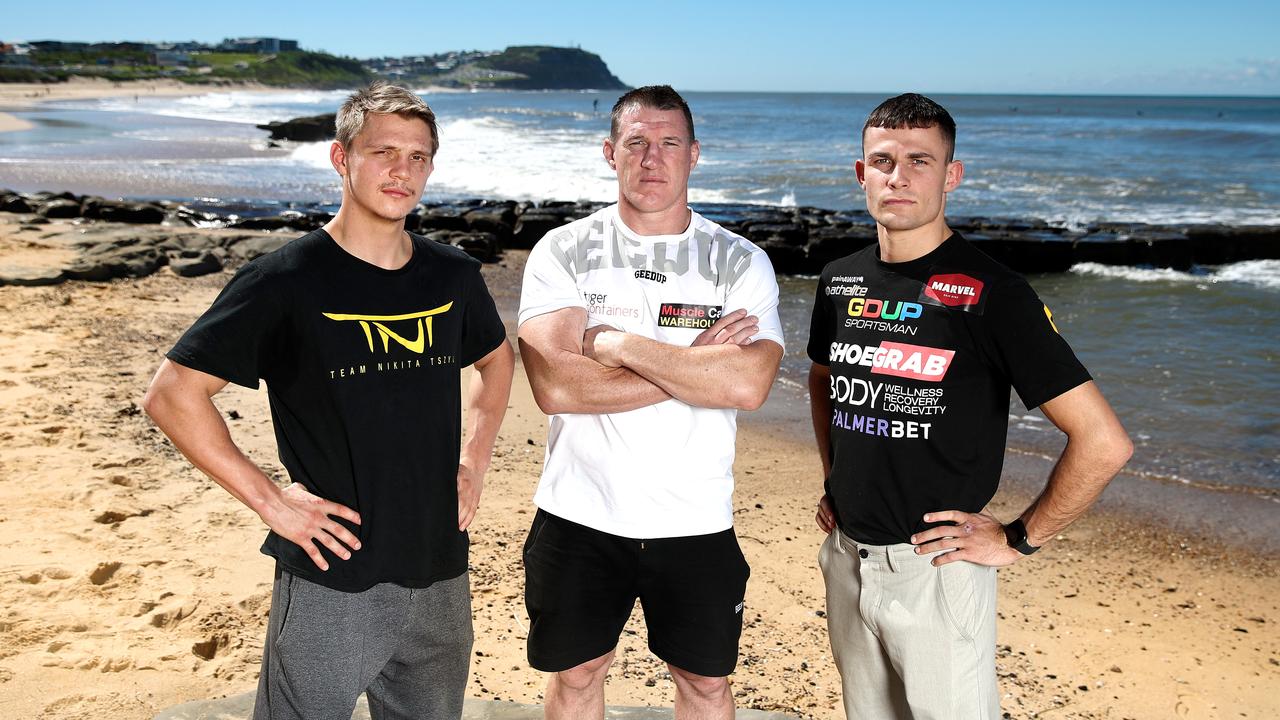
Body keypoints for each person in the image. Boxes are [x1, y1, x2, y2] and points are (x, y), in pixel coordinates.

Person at [142, 81, 515, 720]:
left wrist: (474, 463)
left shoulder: (452, 274)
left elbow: (495, 358)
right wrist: (272, 503)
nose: (402, 171)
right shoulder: (284, 280)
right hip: (332, 574)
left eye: (419, 156)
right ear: (342, 159)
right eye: (383, 152)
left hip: (440, 568)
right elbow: (174, 395)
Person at [807, 93, 1132, 719]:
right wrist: (833, 478)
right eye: (883, 160)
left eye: (920, 161)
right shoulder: (839, 277)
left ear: (951, 175)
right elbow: (824, 380)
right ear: (861, 172)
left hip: (935, 570)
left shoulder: (995, 293)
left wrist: (1017, 538)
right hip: (846, 559)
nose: (898, 176)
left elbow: (1103, 441)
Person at [516, 85, 784, 720]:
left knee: (706, 685)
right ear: (610, 153)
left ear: (695, 154)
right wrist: (694, 362)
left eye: (668, 144)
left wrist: (614, 342)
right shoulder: (563, 250)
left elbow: (746, 385)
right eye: (636, 143)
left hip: (695, 519)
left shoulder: (740, 262)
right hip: (579, 512)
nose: (652, 158)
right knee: (577, 677)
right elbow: (557, 388)